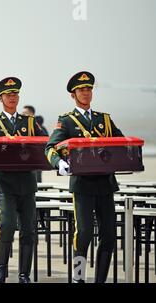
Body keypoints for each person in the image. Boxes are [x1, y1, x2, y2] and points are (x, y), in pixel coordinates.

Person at [45, 71, 124, 283]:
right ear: (73, 95)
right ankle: (79, 277)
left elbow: (121, 143)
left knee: (108, 236)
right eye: (81, 90)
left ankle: (100, 280)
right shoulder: (67, 121)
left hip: (105, 184)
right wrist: (59, 162)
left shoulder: (104, 120)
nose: (86, 93)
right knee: (85, 233)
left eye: (89, 89)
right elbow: (50, 148)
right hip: (82, 185)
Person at [0, 77, 46, 283]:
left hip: (27, 183)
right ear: (1, 98)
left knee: (28, 230)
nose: (12, 97)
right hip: (5, 183)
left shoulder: (30, 122)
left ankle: (24, 273)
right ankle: (1, 269)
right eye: (8, 94)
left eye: (15, 94)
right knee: (6, 225)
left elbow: (45, 143)